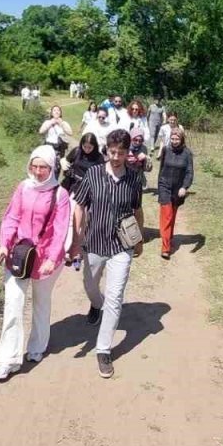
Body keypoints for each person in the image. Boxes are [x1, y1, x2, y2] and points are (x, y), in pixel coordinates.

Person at [69, 128, 145, 379]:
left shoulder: (134, 178)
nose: (116, 157)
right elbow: (79, 205)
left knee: (115, 297)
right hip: (94, 243)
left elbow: (137, 210)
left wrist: (139, 239)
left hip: (121, 246)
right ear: (107, 150)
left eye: (121, 153)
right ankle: (94, 304)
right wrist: (77, 238)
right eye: (112, 152)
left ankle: (103, 349)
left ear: (127, 153)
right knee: (90, 286)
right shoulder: (92, 174)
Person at [0, 146, 72, 381]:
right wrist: (4, 244)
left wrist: (51, 258)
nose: (38, 172)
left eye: (43, 167)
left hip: (46, 259)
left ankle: (37, 346)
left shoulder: (60, 195)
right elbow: (11, 217)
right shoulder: (22, 188)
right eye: (34, 166)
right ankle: (8, 359)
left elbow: (61, 230)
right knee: (13, 305)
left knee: (41, 302)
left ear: (52, 168)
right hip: (18, 255)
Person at [156, 126, 194, 260]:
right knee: (166, 216)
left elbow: (189, 172)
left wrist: (185, 187)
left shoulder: (187, 153)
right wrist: (159, 187)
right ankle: (165, 248)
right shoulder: (166, 150)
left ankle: (169, 236)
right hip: (164, 186)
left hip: (178, 189)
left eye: (176, 139)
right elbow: (161, 170)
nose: (174, 141)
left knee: (172, 216)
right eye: (172, 138)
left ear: (181, 139)